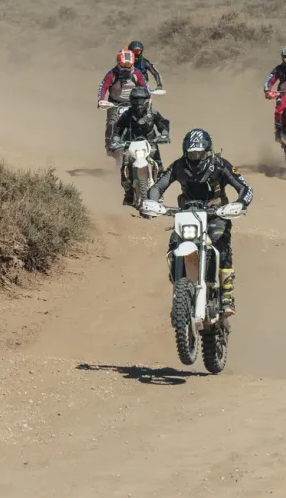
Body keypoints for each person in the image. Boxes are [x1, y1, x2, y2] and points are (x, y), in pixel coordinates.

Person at [144, 128, 253, 315]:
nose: (195, 157)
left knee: (222, 243)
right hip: (187, 213)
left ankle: (227, 293)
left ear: (207, 151)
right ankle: (180, 288)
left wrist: (239, 204)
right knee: (173, 244)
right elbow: (158, 186)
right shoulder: (179, 166)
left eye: (199, 153)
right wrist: (151, 202)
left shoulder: (220, 165)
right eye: (191, 153)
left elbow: (245, 188)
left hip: (216, 213)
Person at [107, 85, 171, 205]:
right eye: (135, 100)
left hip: (150, 144)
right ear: (131, 100)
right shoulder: (126, 115)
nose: (138, 103)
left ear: (147, 100)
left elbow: (163, 125)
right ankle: (128, 193)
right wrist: (115, 141)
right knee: (124, 170)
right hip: (131, 144)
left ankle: (159, 192)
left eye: (141, 100)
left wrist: (164, 135)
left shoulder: (153, 113)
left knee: (160, 168)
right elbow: (118, 130)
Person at [96, 48, 147, 145]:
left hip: (133, 103)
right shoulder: (112, 74)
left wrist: (146, 99)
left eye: (128, 65)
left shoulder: (137, 74)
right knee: (111, 123)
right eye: (123, 65)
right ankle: (109, 145)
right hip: (114, 103)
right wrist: (101, 100)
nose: (126, 68)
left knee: (142, 122)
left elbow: (145, 88)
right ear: (118, 63)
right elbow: (103, 87)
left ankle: (146, 143)